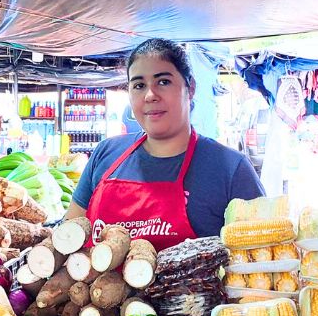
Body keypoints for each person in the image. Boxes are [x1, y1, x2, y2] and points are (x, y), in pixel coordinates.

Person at [66, 38, 265, 250]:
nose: (150, 95)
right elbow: (67, 238)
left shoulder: (231, 168)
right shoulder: (105, 154)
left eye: (163, 82)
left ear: (190, 88)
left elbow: (261, 256)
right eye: (139, 86)